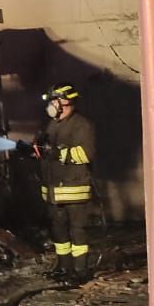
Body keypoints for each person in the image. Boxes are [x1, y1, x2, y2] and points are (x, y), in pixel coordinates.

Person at [35, 83, 97, 283]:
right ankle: (64, 267)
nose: (52, 104)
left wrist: (58, 153)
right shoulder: (52, 124)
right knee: (58, 229)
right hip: (54, 191)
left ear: (66, 102)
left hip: (74, 188)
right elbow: (45, 150)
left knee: (77, 231)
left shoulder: (81, 125)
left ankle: (80, 271)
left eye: (55, 100)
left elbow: (86, 154)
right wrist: (33, 150)